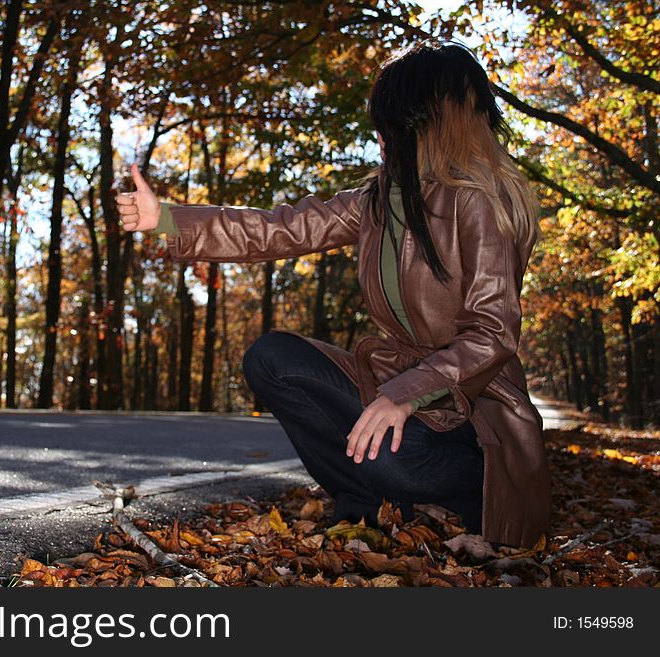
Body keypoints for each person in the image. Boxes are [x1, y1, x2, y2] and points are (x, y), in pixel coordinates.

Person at [115, 39, 551, 549]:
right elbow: (279, 229)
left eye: (389, 121)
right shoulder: (379, 199)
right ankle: (362, 505)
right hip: (398, 385)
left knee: (392, 459)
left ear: (422, 121)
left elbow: (492, 335)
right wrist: (166, 218)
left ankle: (478, 491)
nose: (380, 136)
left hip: (474, 409)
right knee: (272, 358)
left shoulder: (478, 202)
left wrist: (403, 395)